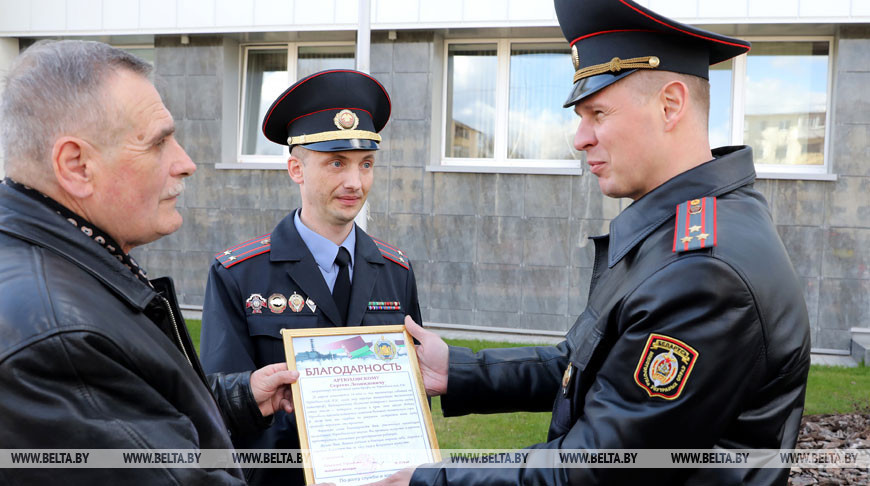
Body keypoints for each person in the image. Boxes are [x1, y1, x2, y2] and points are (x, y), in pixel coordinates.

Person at [375, 1, 812, 485]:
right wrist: (458, 371)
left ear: (671, 105)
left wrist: (429, 479)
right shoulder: (680, 230)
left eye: (597, 113)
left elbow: (597, 469)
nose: (579, 138)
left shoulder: (704, 272)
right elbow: (584, 364)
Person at [0, 40, 299, 484]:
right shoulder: (58, 341)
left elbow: (138, 408)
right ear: (77, 165)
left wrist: (241, 398)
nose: (186, 163)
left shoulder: (59, 263)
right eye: (159, 143)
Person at [200, 69, 423, 485]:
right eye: (336, 163)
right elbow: (216, 401)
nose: (355, 182)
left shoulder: (396, 272)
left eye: (366, 164)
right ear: (296, 169)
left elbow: (412, 393)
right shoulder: (239, 274)